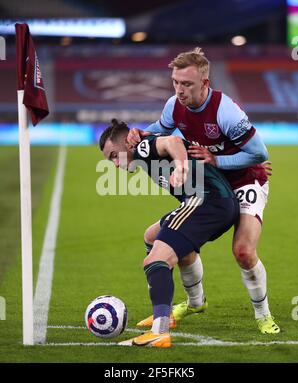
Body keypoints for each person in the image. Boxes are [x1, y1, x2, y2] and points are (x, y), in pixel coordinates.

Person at [127, 47, 280, 334]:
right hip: (212, 184)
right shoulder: (174, 105)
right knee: (172, 239)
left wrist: (217, 159)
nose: (180, 90)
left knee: (244, 251)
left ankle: (263, 315)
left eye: (187, 84)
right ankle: (196, 302)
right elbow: (160, 129)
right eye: (175, 82)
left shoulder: (225, 111)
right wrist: (141, 133)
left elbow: (259, 153)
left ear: (204, 83)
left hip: (245, 180)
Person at [99, 119, 239, 347]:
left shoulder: (143, 148)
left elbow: (173, 141)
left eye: (114, 155)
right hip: (211, 202)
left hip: (207, 202)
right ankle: (195, 302)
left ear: (127, 143)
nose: (115, 164)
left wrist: (182, 167)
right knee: (152, 236)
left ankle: (159, 331)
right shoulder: (143, 158)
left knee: (155, 260)